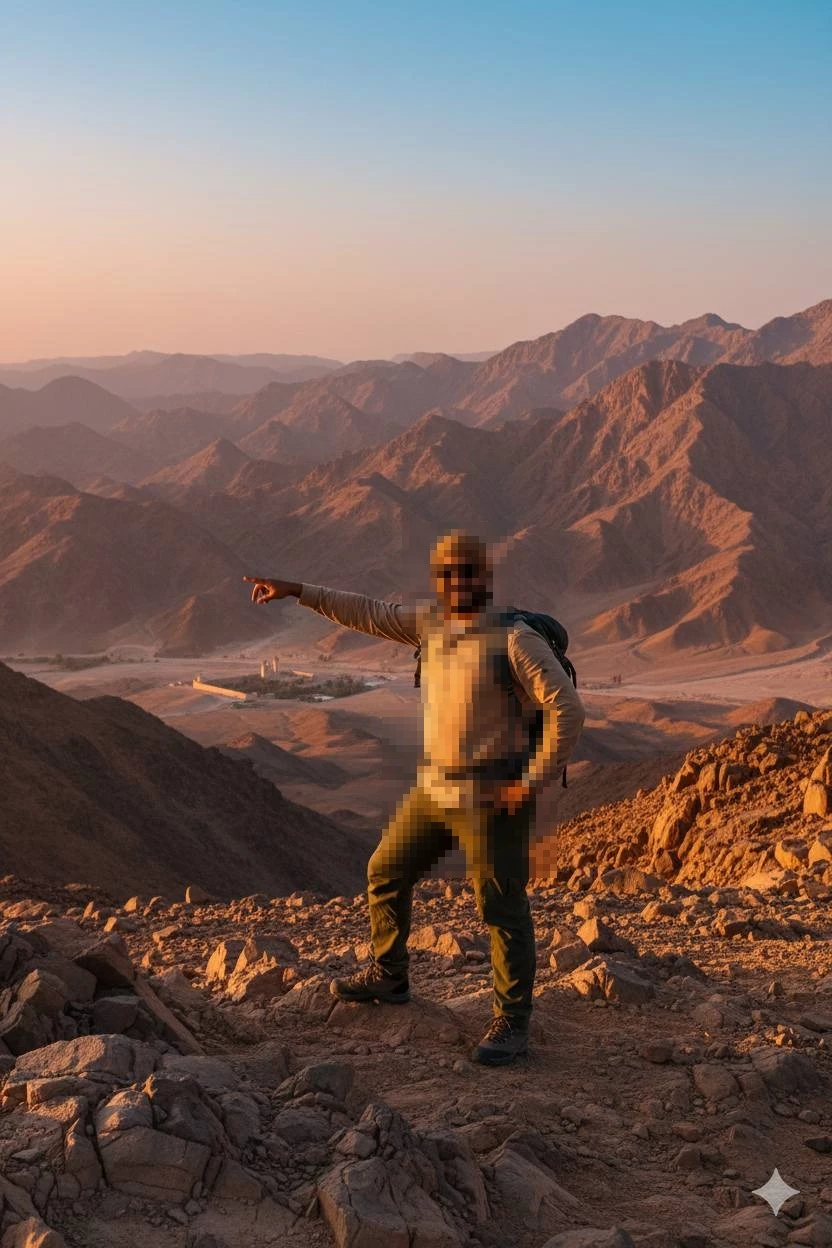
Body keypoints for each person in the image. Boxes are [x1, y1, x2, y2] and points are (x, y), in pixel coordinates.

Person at [243, 531, 585, 1065]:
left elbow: (566, 708)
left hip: (496, 793)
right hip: (437, 786)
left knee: (500, 905)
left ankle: (512, 1020)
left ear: (484, 580)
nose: (459, 583)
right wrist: (297, 590)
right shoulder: (430, 625)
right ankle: (389, 973)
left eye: (468, 573)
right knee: (386, 869)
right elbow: (366, 611)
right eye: (450, 575)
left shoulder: (515, 639)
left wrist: (531, 782)